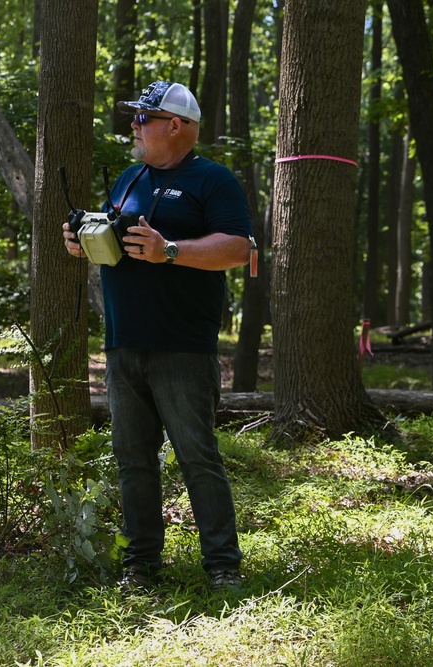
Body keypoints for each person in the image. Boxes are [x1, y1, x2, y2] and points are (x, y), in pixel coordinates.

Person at [63, 81, 253, 590]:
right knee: (133, 460)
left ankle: (222, 566)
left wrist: (170, 249)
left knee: (197, 456)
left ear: (176, 125)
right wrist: (83, 240)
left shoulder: (212, 180)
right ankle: (140, 565)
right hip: (124, 342)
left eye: (143, 118)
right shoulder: (129, 178)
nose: (134, 126)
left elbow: (238, 249)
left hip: (182, 345)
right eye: (134, 118)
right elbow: (115, 241)